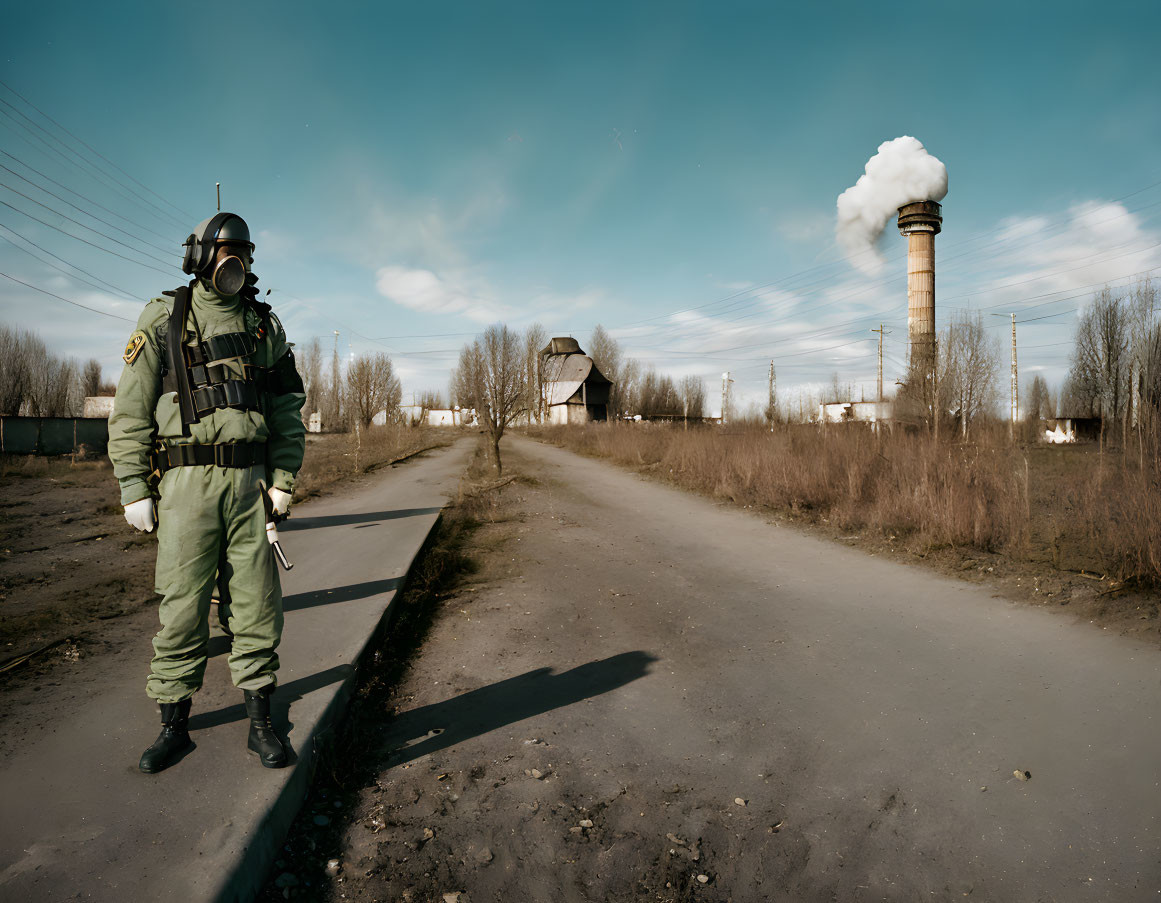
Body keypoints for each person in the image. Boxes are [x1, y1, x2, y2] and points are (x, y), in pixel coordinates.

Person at [107, 212, 306, 773]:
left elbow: (288, 409)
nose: (232, 263)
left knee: (256, 605)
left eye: (241, 252)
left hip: (249, 487)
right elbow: (130, 412)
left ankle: (262, 722)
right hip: (184, 487)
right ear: (198, 257)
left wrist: (284, 480)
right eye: (222, 252)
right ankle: (173, 727)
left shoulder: (264, 327)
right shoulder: (164, 318)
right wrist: (132, 487)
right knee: (181, 607)